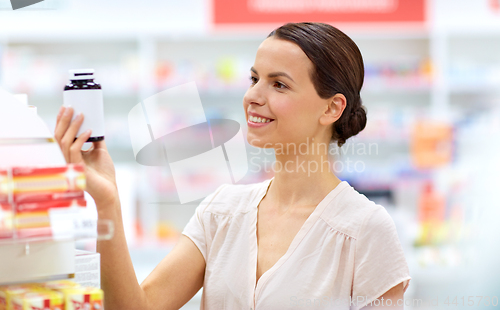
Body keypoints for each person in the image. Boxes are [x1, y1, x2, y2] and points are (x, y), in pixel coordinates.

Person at [54, 22, 411, 310]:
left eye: (279, 84)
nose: (253, 96)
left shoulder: (364, 230)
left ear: (331, 108)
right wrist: (106, 201)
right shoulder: (221, 213)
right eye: (254, 79)